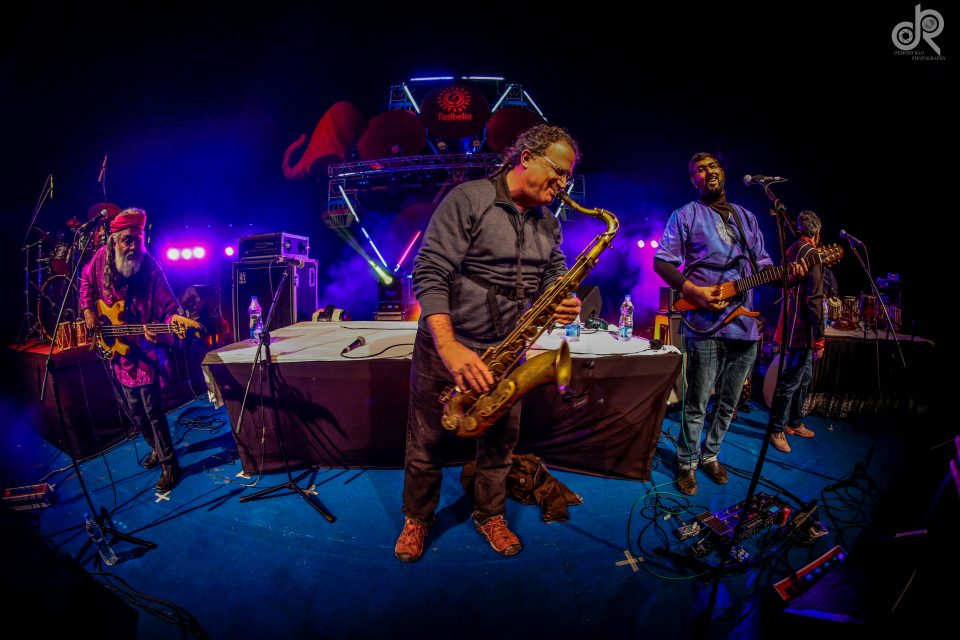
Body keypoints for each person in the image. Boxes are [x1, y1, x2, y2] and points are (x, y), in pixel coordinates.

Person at [395, 124, 582, 562]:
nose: (562, 185)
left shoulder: (549, 221)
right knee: (426, 441)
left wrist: (563, 298)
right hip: (449, 344)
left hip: (507, 349)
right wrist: (451, 347)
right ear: (526, 157)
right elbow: (430, 273)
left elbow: (554, 270)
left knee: (499, 443)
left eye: (567, 178)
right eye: (557, 173)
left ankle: (489, 513)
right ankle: (418, 518)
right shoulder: (468, 199)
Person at [653, 152, 774, 496]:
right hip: (705, 323)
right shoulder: (685, 215)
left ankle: (711, 454)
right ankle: (687, 462)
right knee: (697, 400)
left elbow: (764, 264)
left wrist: (788, 275)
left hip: (744, 327)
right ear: (693, 180)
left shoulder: (747, 218)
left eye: (712, 167)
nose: (707, 173)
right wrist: (694, 291)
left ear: (723, 172)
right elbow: (662, 262)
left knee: (729, 402)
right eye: (699, 170)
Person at [80, 208, 181, 492]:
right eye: (127, 240)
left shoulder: (150, 268)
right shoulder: (100, 260)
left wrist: (168, 325)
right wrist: (88, 309)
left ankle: (170, 465)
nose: (134, 246)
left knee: (152, 410)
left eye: (137, 239)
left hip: (145, 353)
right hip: (118, 352)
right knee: (135, 411)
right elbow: (86, 282)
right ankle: (155, 449)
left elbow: (170, 308)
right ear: (113, 241)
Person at [768, 210, 825, 453]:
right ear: (818, 233)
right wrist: (820, 336)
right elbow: (815, 299)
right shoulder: (811, 253)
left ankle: (794, 422)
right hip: (802, 329)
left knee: (804, 378)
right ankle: (777, 429)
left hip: (794, 325)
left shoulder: (793, 249)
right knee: (791, 380)